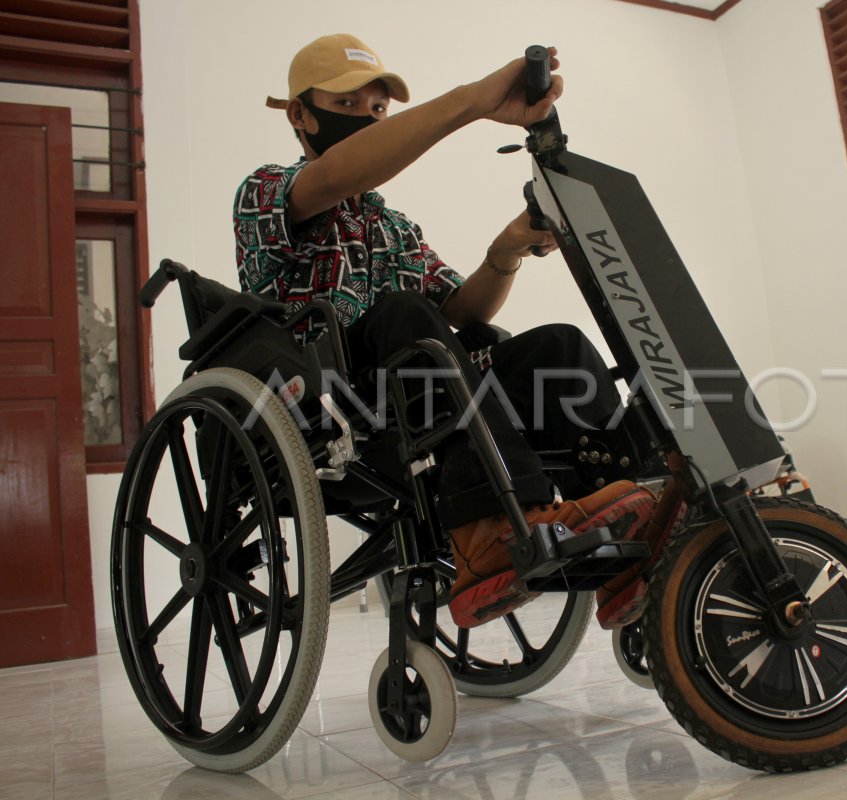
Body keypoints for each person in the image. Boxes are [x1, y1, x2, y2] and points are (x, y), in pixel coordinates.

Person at [233, 34, 654, 629]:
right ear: (300, 114)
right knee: (405, 316)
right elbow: (332, 178)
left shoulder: (391, 226)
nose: (369, 120)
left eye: (378, 111)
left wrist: (504, 251)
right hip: (325, 407)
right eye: (348, 106)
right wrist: (472, 102)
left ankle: (627, 536)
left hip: (415, 394)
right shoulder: (266, 191)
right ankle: (487, 535)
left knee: (556, 347)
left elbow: (460, 308)